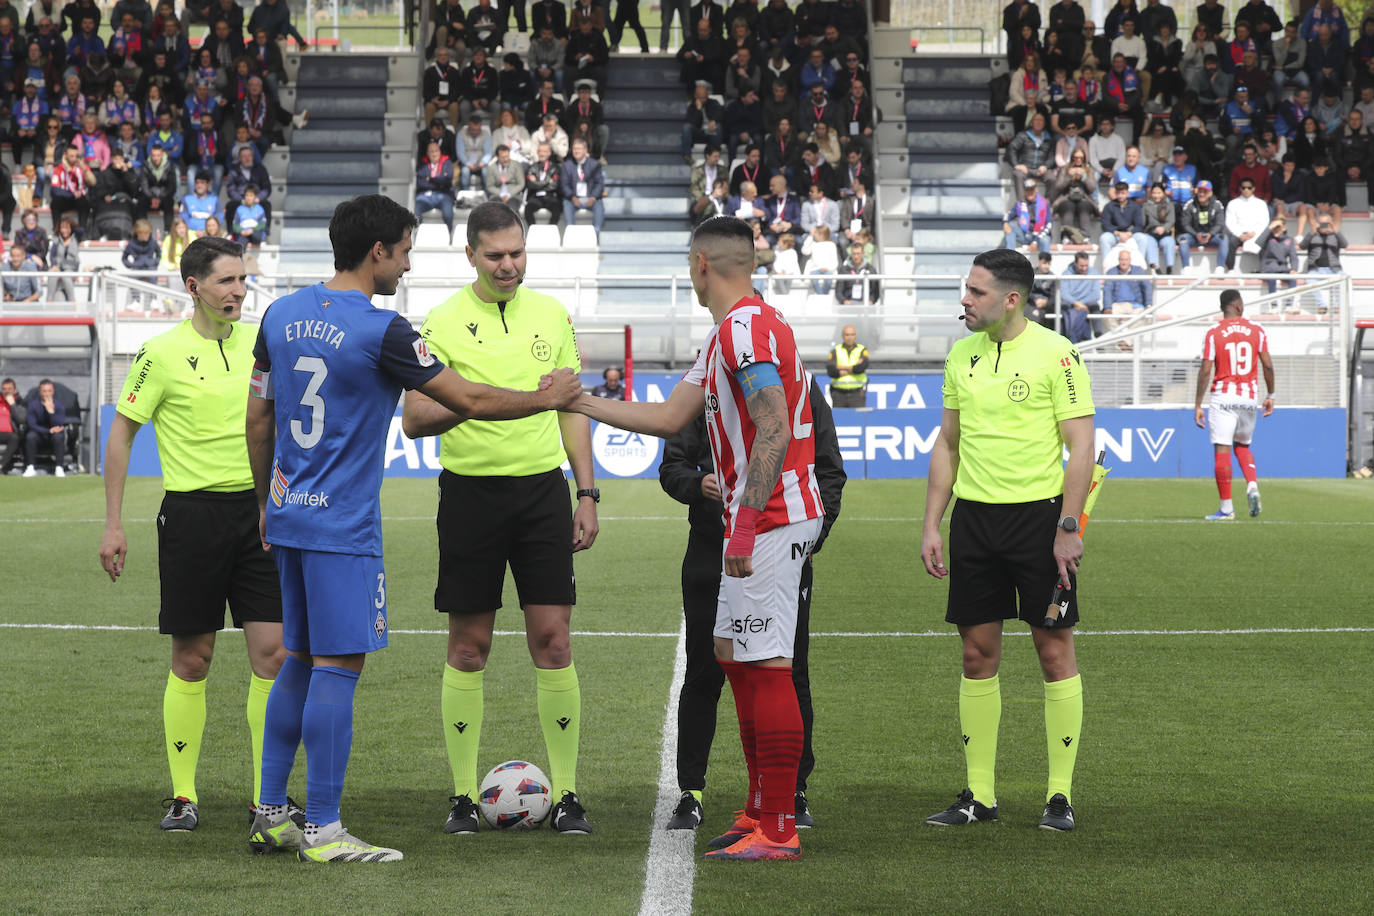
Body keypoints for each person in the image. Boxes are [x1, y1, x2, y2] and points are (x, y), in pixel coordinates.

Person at [245, 195, 582, 862]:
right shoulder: (385, 329)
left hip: (286, 516)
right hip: (342, 525)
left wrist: (264, 503)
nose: (406, 263)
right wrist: (547, 396)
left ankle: (269, 812)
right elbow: (470, 400)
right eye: (404, 250)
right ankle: (323, 827)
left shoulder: (278, 315)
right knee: (338, 666)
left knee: (297, 662)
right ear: (378, 252)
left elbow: (258, 418)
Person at [570, 215, 825, 861]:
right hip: (761, 517)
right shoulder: (729, 334)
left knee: (767, 666)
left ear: (700, 264)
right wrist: (578, 402)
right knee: (737, 661)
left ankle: (780, 828)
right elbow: (668, 418)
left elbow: (771, 429)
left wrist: (740, 524)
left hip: (770, 520)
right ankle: (758, 810)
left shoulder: (743, 329)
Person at [396, 202, 597, 838]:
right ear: (470, 257)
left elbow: (569, 409)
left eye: (517, 253)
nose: (508, 265)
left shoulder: (552, 314)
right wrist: (482, 402)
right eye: (495, 255)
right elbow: (415, 419)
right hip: (470, 496)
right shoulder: (442, 320)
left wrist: (587, 492)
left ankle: (566, 795)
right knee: (468, 646)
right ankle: (461, 796)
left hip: (542, 494)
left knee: (553, 641)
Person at [99, 237, 287, 830]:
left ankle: (267, 795)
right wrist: (112, 522)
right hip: (191, 517)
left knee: (274, 656)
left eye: (242, 280)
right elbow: (122, 433)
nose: (238, 291)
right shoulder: (159, 353)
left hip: (260, 516)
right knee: (192, 659)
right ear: (193, 287)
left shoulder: (262, 343)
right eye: (226, 281)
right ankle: (184, 796)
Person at [921, 248, 1093, 834]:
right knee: (976, 655)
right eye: (965, 289)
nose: (964, 301)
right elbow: (947, 443)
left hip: (1040, 525)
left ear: (1011, 299)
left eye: (976, 292)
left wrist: (1067, 528)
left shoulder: (1058, 355)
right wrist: (932, 524)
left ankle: (1060, 796)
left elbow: (1082, 448)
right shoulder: (960, 356)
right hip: (974, 523)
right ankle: (980, 796)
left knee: (1053, 652)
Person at [659, 372, 844, 832]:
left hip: (779, 548)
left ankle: (790, 794)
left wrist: (806, 542)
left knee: (787, 669)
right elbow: (672, 467)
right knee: (704, 668)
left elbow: (829, 471)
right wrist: (699, 484)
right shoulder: (704, 384)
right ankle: (691, 790)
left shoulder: (799, 385)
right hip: (710, 547)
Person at [1194, 289, 1274, 520]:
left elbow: (1206, 369)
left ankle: (1227, 509)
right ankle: (1252, 486)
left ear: (1223, 307)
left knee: (1222, 448)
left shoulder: (1213, 332)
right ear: (1239, 305)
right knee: (1243, 446)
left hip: (1223, 396)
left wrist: (1198, 403)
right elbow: (1267, 365)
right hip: (1249, 398)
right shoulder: (1257, 330)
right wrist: (1272, 394)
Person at [559, 137, 603, 235]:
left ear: (585, 150)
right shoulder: (567, 165)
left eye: (579, 149)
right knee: (566, 203)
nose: (576, 151)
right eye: (574, 149)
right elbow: (564, 185)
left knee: (599, 204)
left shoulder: (594, 164)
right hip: (573, 199)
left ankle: (597, 233)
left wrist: (593, 197)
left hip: (590, 198)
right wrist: (572, 197)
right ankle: (571, 233)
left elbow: (599, 183)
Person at [1059, 250, 1101, 342]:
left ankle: (1099, 338)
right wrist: (1076, 303)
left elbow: (1096, 295)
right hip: (1071, 303)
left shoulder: (1094, 272)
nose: (1084, 268)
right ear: (1075, 263)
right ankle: (1063, 337)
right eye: (1082, 266)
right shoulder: (1066, 274)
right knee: (1063, 307)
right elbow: (1064, 294)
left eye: (1086, 265)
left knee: (1095, 307)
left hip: (1087, 304)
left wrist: (1082, 304)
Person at [825, 324, 867, 407]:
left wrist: (841, 367)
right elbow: (831, 371)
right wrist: (852, 368)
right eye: (847, 335)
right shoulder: (835, 350)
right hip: (838, 393)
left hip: (857, 393)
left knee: (857, 419)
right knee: (839, 419)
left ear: (855, 336)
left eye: (852, 334)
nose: (849, 337)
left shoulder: (862, 349)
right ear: (842, 336)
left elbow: (861, 368)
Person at [0, 377, 25, 473]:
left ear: (15, 390)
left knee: (15, 438)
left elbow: (21, 420)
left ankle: (1, 465)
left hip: (10, 434)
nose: (6, 391)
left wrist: (12, 405)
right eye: (4, 389)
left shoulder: (20, 403)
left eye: (9, 389)